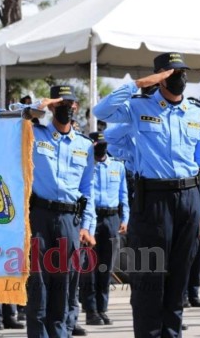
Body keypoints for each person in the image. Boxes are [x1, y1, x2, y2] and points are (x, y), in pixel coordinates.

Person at [93, 52, 200, 337]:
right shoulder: (138, 106)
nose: (180, 77)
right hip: (153, 200)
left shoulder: (197, 115)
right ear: (159, 76)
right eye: (172, 72)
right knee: (149, 278)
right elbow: (101, 112)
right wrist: (139, 84)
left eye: (183, 72)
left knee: (179, 277)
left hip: (189, 199)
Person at [26, 85, 95, 338]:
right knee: (39, 285)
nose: (66, 108)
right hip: (40, 216)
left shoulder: (84, 145)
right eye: (60, 103)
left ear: (76, 106)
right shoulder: (35, 134)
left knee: (64, 285)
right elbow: (15, 119)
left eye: (70, 104)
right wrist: (40, 105)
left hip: (69, 219)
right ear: (53, 106)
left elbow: (88, 189)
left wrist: (87, 226)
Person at [80, 132, 129, 326]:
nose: (101, 148)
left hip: (111, 219)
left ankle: (102, 308)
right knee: (90, 266)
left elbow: (123, 194)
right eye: (98, 144)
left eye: (103, 144)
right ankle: (91, 310)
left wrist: (125, 218)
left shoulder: (117, 166)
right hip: (92, 218)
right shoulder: (85, 165)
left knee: (106, 266)